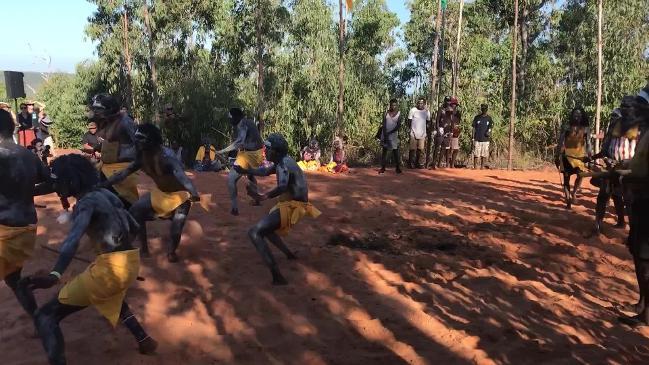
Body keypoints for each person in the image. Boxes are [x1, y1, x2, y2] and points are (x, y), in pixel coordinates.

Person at [19, 154, 157, 365]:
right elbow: (133, 226)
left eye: (57, 181)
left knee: (45, 317)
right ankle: (144, 339)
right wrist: (115, 252)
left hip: (110, 270)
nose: (55, 185)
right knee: (110, 293)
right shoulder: (105, 194)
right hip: (130, 261)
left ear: (72, 182)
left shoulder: (85, 204)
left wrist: (54, 274)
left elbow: (71, 241)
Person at [100, 124, 201, 262]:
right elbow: (122, 174)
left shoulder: (167, 158)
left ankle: (171, 252)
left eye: (141, 139)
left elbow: (183, 177)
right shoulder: (141, 158)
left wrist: (193, 192)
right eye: (137, 139)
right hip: (160, 194)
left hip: (180, 197)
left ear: (151, 141)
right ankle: (143, 248)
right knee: (136, 210)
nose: (137, 142)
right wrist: (104, 184)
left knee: (176, 227)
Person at [234, 133, 321, 285]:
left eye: (267, 148)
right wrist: (245, 170)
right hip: (292, 203)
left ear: (275, 151)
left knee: (254, 232)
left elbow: (282, 186)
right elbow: (265, 171)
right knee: (266, 230)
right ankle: (289, 254)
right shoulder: (283, 161)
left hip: (293, 206)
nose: (265, 151)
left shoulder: (283, 165)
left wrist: (262, 196)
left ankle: (277, 276)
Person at [0, 109, 49, 318]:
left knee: (13, 278)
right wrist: (26, 192)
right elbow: (50, 181)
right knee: (13, 279)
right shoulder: (28, 155)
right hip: (25, 231)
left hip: (5, 232)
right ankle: (39, 319)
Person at [586, 97, 639, 235]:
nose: (625, 108)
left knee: (628, 199)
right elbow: (606, 146)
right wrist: (593, 157)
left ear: (635, 108)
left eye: (628, 106)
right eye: (623, 106)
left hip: (629, 169)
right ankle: (597, 226)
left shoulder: (641, 127)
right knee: (603, 196)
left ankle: (633, 233)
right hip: (611, 166)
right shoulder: (614, 124)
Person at [617, 98, 649, 327]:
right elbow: (639, 164)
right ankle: (642, 305)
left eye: (639, 108)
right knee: (638, 254)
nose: (634, 112)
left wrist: (622, 176)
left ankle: (647, 315)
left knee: (645, 260)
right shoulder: (645, 133)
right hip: (639, 201)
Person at [92, 93, 139, 208]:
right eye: (95, 109)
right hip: (105, 167)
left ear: (110, 109)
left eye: (99, 109)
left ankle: (135, 223)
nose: (96, 112)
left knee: (126, 202)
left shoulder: (125, 121)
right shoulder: (106, 122)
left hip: (122, 168)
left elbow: (139, 141)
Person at [217, 107, 264, 216]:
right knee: (251, 175)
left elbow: (238, 142)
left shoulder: (242, 124)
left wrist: (222, 151)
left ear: (237, 117)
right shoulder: (249, 122)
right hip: (257, 154)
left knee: (231, 179)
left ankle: (234, 208)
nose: (230, 121)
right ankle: (257, 200)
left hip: (249, 155)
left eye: (231, 118)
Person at [555, 107, 592, 209]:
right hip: (567, 156)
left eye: (579, 115)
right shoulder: (567, 127)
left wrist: (590, 157)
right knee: (566, 179)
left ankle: (574, 192)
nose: (577, 117)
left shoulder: (586, 129)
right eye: (575, 114)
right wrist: (557, 156)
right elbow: (560, 142)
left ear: (582, 117)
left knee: (581, 175)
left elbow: (589, 144)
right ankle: (568, 201)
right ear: (572, 116)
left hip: (580, 157)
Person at [379, 98, 402, 174]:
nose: (393, 106)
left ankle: (397, 168)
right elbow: (384, 123)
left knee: (395, 151)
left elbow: (398, 126)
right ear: (390, 105)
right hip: (385, 134)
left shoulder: (399, 113)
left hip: (393, 135)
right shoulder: (386, 113)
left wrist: (390, 132)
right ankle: (383, 167)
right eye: (392, 105)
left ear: (397, 105)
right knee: (384, 151)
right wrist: (385, 133)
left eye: (395, 105)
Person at [407, 97, 430, 169]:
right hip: (413, 133)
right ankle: (411, 163)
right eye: (419, 103)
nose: (420, 104)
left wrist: (427, 132)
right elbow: (409, 121)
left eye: (422, 103)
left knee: (421, 149)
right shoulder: (413, 110)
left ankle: (419, 163)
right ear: (417, 103)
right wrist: (411, 131)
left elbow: (428, 123)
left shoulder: (427, 112)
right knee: (412, 149)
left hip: (422, 133)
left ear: (424, 104)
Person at [472, 104, 493, 169]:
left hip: (485, 139)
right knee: (476, 153)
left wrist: (489, 132)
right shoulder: (477, 117)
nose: (484, 110)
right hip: (477, 138)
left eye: (485, 109)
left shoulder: (489, 118)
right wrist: (472, 138)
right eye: (483, 109)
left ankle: (482, 167)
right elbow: (473, 128)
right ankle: (475, 167)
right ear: (481, 109)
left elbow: (491, 127)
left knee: (484, 154)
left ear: (487, 109)